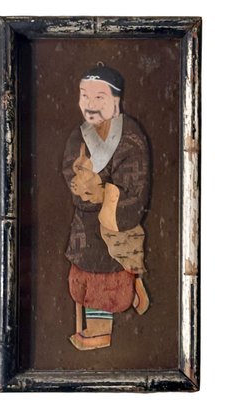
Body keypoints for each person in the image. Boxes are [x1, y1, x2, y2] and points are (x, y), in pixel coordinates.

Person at [62, 63, 151, 351]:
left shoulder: (130, 135)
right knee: (84, 274)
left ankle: (100, 332)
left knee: (106, 278)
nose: (90, 104)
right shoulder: (80, 135)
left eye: (99, 97)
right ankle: (130, 292)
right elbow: (70, 171)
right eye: (84, 96)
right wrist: (83, 185)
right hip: (84, 224)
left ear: (115, 100)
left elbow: (135, 182)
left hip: (113, 226)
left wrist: (106, 192)